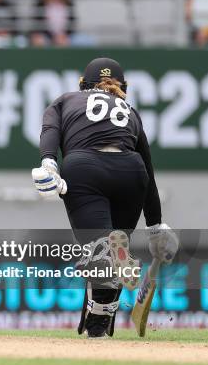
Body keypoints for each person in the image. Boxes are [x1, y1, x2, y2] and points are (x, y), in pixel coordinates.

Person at [32, 58, 178, 338]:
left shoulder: (65, 100)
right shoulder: (131, 112)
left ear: (81, 84)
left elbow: (50, 132)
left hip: (85, 168)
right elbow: (148, 169)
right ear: (123, 88)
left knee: (100, 252)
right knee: (109, 258)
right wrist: (156, 225)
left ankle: (108, 256)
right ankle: (98, 324)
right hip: (131, 173)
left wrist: (49, 163)